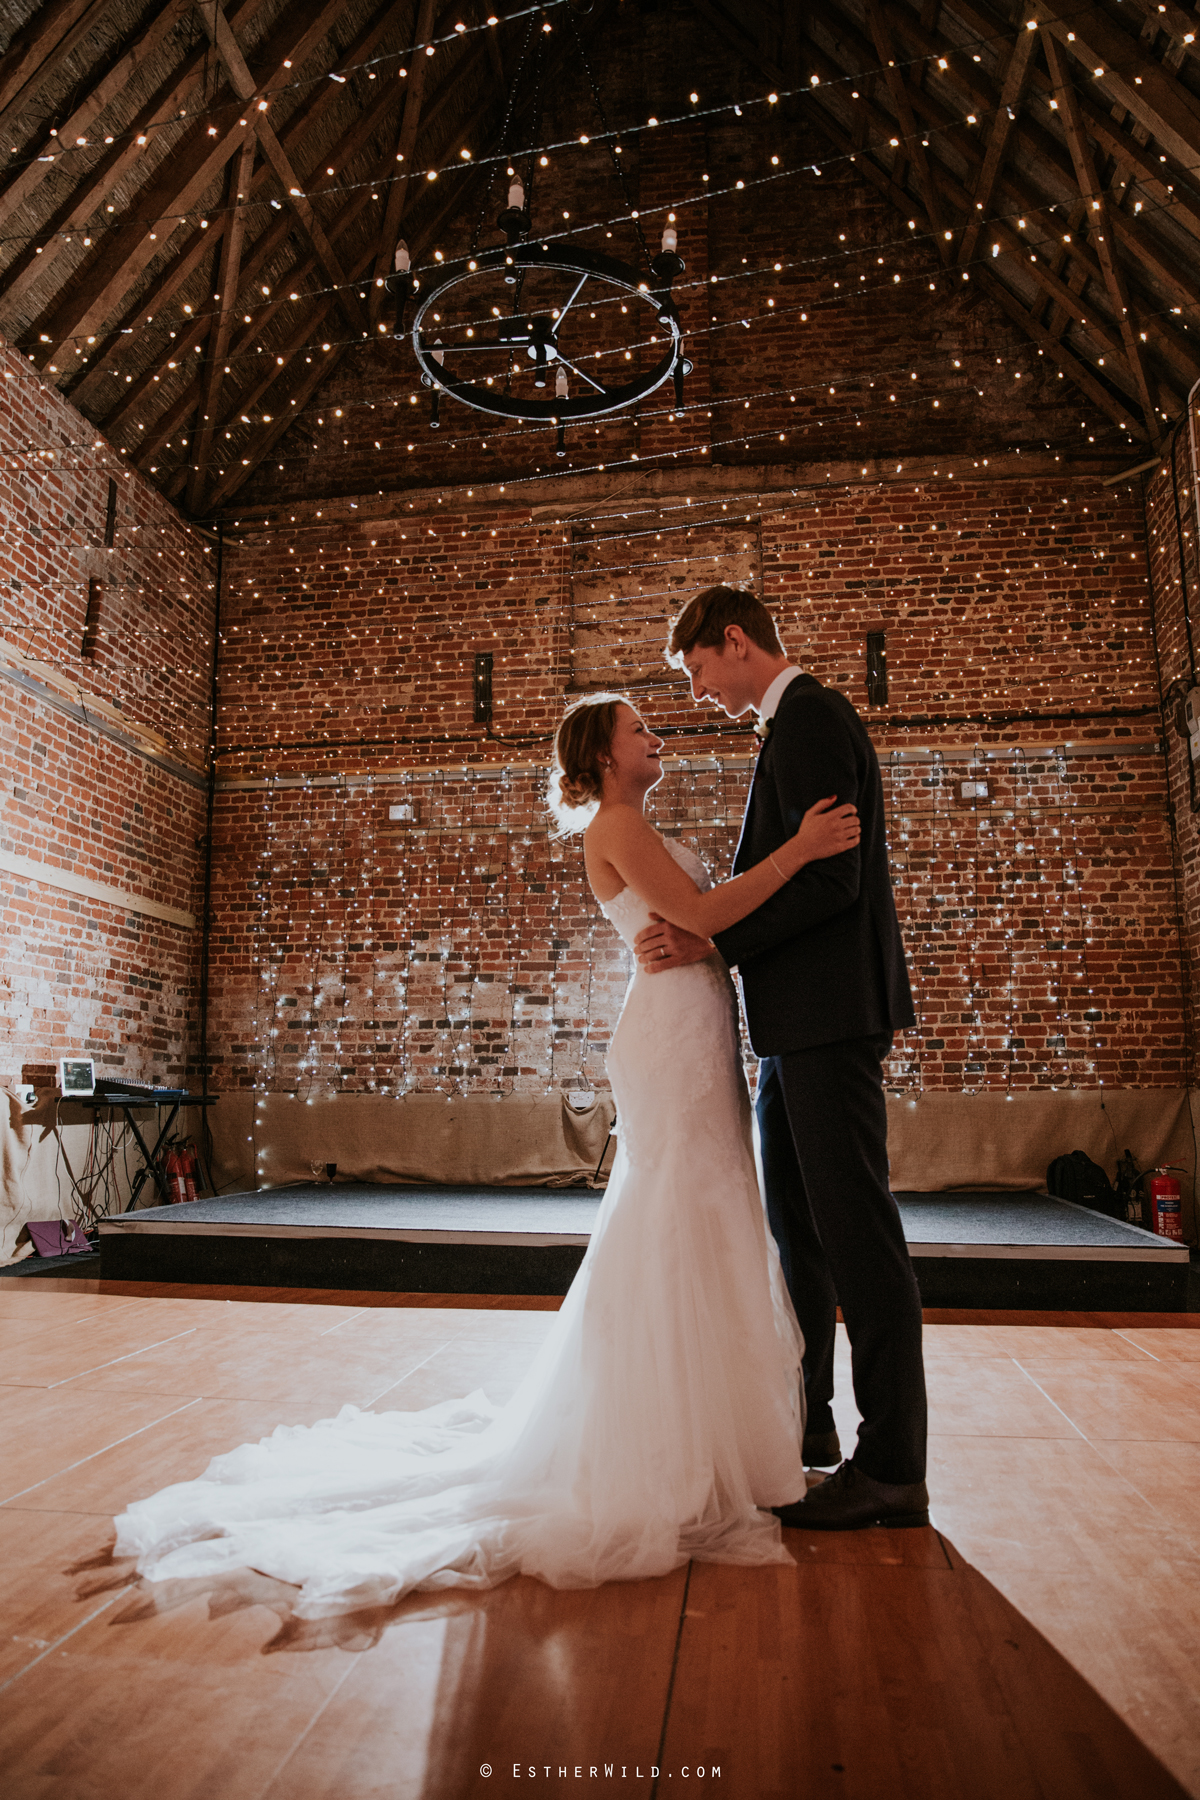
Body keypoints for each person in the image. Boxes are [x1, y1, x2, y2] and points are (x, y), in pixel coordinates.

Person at [112, 695, 859, 1617]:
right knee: (676, 1216)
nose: (656, 736)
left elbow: (702, 925)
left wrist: (710, 929)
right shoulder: (618, 823)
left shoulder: (640, 820)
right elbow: (702, 909)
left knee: (713, 1213)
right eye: (640, 730)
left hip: (698, 1030)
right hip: (670, 1040)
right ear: (603, 752)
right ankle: (667, 1443)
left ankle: (722, 1440)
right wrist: (797, 855)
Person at [634, 587, 929, 1531]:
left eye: (697, 670)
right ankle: (810, 1427)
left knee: (856, 1234)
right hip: (801, 1022)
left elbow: (835, 881)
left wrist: (720, 944)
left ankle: (892, 1467)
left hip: (828, 1018)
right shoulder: (791, 726)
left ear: (734, 642)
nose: (698, 691)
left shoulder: (807, 719)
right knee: (803, 1231)